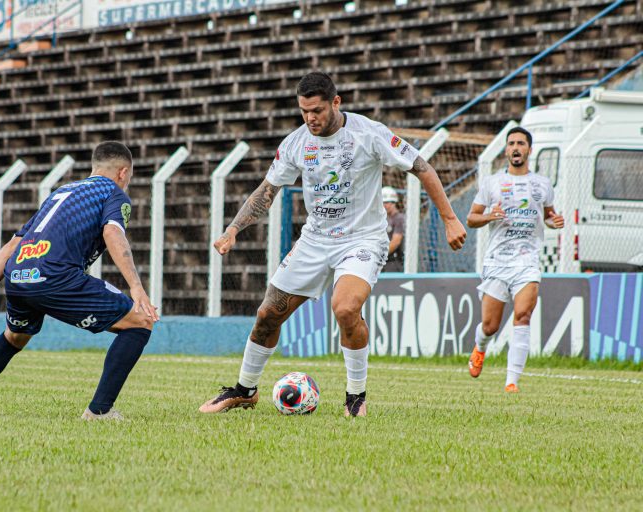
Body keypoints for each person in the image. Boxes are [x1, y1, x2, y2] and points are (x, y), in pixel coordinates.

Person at [199, 72, 466, 417]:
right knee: (267, 314)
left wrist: (449, 218)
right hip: (315, 239)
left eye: (317, 110)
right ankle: (245, 391)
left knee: (345, 308)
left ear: (336, 103)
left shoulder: (369, 133)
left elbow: (422, 167)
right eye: (304, 111)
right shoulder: (296, 143)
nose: (310, 118)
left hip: (363, 238)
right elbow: (268, 190)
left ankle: (355, 397)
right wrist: (233, 229)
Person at [0, 141, 158, 420]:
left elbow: (13, 245)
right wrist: (137, 287)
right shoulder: (113, 193)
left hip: (18, 275)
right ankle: (99, 411)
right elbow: (113, 233)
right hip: (56, 275)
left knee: (14, 337)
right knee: (141, 321)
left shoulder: (61, 192)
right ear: (123, 172)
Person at [466, 127, 564, 392]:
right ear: (506, 150)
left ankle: (512, 382)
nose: (516, 148)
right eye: (511, 144)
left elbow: (548, 215)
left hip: (527, 261)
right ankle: (480, 347)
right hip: (497, 261)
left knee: (523, 315)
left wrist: (554, 221)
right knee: (490, 325)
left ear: (529, 150)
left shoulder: (542, 184)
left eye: (521, 143)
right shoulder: (492, 183)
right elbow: (471, 218)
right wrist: (490, 216)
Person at [381, 186, 405, 272]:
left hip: (393, 262)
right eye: (383, 202)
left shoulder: (399, 218)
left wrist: (381, 256)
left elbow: (396, 242)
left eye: (388, 202)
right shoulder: (381, 219)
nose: (385, 205)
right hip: (381, 261)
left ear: (394, 202)